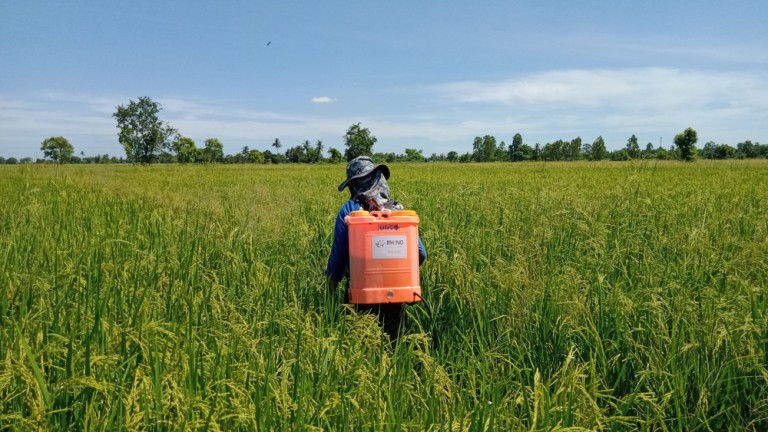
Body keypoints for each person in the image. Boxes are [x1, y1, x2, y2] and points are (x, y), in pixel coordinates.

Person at [326, 156, 426, 341]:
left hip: (361, 295)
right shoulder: (397, 210)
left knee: (361, 348)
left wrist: (330, 296)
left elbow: (337, 260)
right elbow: (421, 253)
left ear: (354, 184)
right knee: (393, 346)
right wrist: (400, 278)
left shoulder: (349, 210)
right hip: (396, 295)